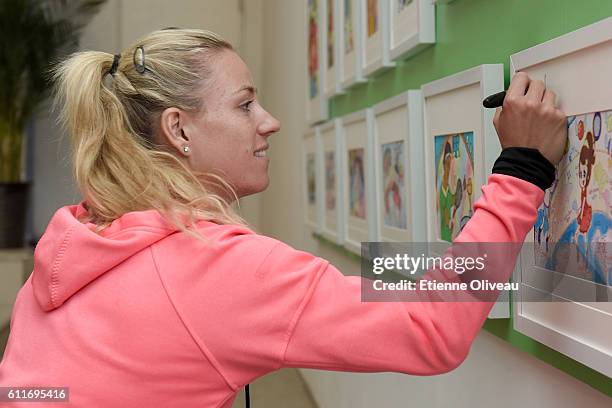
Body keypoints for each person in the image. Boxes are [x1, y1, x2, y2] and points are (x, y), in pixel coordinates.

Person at [0, 28, 567, 407]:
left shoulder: (76, 239)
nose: (268, 122)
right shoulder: (217, 268)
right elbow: (432, 329)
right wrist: (521, 171)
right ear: (179, 130)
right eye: (245, 104)